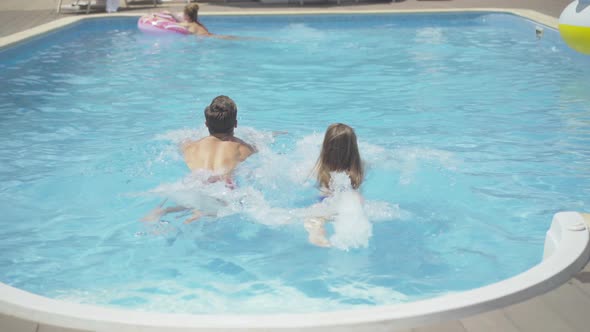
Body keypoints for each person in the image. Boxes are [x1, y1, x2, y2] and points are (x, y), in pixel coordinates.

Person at [142, 95, 256, 223]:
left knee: (194, 195)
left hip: (195, 183)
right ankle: (200, 212)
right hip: (222, 187)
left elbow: (179, 142)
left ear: (206, 124)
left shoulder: (190, 146)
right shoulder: (242, 147)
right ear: (235, 124)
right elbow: (258, 149)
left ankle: (162, 211)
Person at [304, 123, 364, 247]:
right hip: (352, 201)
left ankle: (316, 233)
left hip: (325, 201)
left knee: (314, 217)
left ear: (326, 147)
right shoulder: (361, 167)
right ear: (353, 148)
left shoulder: (317, 169)